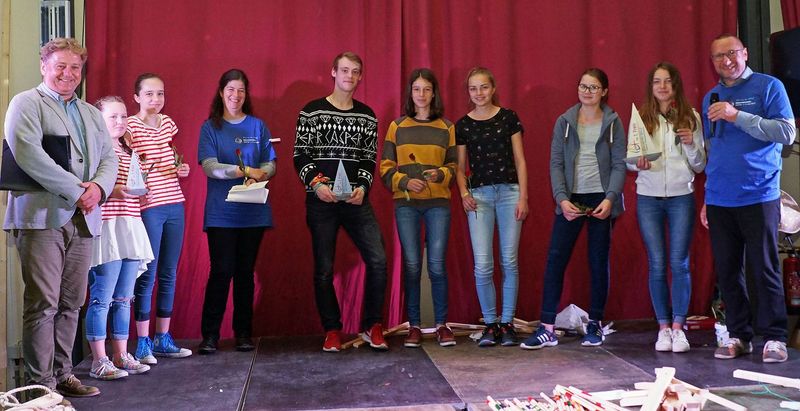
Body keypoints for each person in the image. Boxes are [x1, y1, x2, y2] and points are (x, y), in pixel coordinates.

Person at [3, 38, 118, 397]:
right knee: (43, 304)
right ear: (43, 67)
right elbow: (28, 155)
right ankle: (40, 387)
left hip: (84, 219)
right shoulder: (25, 103)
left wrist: (99, 188)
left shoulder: (90, 113)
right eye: (60, 66)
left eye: (75, 68)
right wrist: (77, 191)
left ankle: (63, 374)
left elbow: (109, 158)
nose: (68, 74)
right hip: (41, 218)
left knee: (72, 303)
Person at [700, 34, 796, 363]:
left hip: (759, 194)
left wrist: (736, 115)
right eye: (718, 56)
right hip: (720, 198)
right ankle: (739, 335)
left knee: (764, 268)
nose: (726, 61)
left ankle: (774, 337)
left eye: (731, 53)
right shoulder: (710, 96)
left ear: (745, 53)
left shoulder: (769, 87)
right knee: (727, 270)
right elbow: (714, 150)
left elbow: (787, 133)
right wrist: (707, 196)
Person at [522, 68, 625, 350]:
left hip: (601, 199)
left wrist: (610, 198)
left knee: (598, 261)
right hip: (571, 199)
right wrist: (561, 199)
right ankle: (547, 328)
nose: (587, 92)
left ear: (604, 91)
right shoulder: (564, 121)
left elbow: (619, 164)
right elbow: (555, 164)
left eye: (593, 87)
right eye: (583, 86)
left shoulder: (613, 122)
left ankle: (595, 324)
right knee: (556, 259)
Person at [293, 51, 389, 352]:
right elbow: (300, 155)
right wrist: (316, 184)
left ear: (360, 77)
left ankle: (372, 325)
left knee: (378, 260)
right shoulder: (311, 112)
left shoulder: (367, 116)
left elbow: (369, 159)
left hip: (355, 201)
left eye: (355, 71)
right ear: (333, 72)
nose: (350, 76)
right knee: (324, 269)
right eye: (345, 70)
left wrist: (363, 187)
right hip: (321, 201)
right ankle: (332, 329)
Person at [197, 69, 276, 354]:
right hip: (222, 215)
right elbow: (209, 166)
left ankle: (243, 333)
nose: (236, 95)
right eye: (230, 89)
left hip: (253, 213)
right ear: (221, 93)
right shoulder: (210, 128)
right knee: (221, 272)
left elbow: (270, 164)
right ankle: (210, 336)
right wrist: (242, 170)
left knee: (245, 273)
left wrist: (260, 174)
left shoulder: (258, 126)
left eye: (241, 90)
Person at [627, 62, 705, 353]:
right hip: (648, 197)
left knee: (679, 262)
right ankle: (663, 328)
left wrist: (690, 144)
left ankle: (679, 327)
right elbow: (630, 160)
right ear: (650, 86)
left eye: (667, 81)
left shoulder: (691, 117)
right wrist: (638, 163)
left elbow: (700, 165)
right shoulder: (641, 118)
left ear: (676, 86)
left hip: (681, 196)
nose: (662, 86)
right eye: (657, 81)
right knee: (657, 263)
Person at [380, 68, 457, 348]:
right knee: (412, 265)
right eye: (416, 89)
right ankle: (414, 325)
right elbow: (385, 168)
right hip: (407, 205)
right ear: (410, 93)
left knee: (436, 265)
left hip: (438, 204)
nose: (421, 94)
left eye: (426, 89)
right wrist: (404, 181)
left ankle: (442, 325)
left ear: (434, 93)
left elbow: (454, 166)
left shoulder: (447, 127)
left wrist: (440, 175)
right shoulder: (397, 126)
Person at [455, 67, 529, 347]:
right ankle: (490, 323)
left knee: (509, 260)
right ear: (468, 92)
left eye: (484, 87)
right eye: (473, 88)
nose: (479, 93)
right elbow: (459, 167)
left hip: (510, 193)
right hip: (479, 198)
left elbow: (520, 160)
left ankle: (507, 322)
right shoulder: (463, 125)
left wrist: (523, 197)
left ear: (493, 88)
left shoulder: (508, 118)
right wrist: (463, 193)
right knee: (483, 264)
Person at [85, 96, 154, 379]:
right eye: (113, 116)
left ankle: (121, 354)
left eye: (123, 116)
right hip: (107, 228)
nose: (120, 121)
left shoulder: (129, 151)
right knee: (102, 298)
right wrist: (113, 191)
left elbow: (135, 187)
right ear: (99, 120)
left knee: (125, 297)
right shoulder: (94, 151)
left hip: (130, 226)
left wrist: (141, 189)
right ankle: (99, 360)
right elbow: (87, 189)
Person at [128, 73, 192, 363]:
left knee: (169, 272)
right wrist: (149, 172)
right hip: (149, 205)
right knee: (148, 272)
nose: (156, 99)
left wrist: (181, 169)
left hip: (174, 203)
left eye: (160, 93)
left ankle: (162, 336)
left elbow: (171, 161)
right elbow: (130, 166)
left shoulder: (167, 123)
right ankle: (142, 342)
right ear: (137, 97)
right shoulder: (130, 126)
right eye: (149, 94)